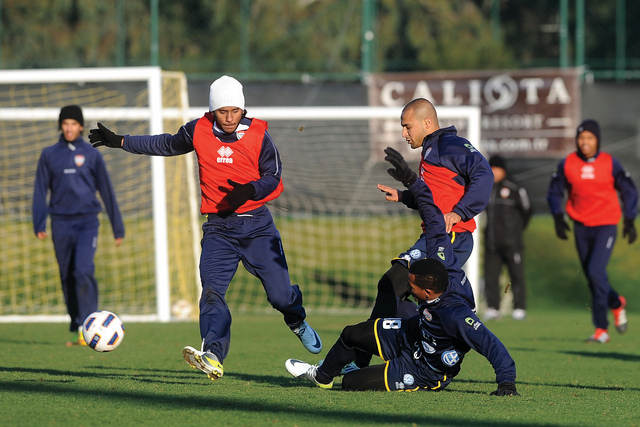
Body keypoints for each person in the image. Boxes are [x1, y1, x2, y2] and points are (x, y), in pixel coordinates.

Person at [88, 75, 322, 380]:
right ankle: (213, 353)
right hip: (219, 231)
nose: (229, 117)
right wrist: (121, 141)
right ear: (212, 110)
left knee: (280, 297)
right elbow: (166, 144)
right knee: (212, 292)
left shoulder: (259, 135)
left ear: (243, 110)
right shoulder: (198, 129)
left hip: (258, 229)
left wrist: (249, 190)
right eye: (223, 111)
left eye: (235, 111)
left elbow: (274, 178)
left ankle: (297, 321)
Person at [285, 147, 518, 395]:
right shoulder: (445, 262)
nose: (409, 287)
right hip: (412, 333)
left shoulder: (457, 315)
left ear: (427, 293)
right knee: (351, 334)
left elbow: (492, 345)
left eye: (412, 286)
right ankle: (321, 376)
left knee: (351, 384)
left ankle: (366, 371)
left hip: (422, 369)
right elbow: (433, 216)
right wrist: (412, 182)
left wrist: (506, 383)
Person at [357, 98, 493, 368]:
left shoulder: (449, 145)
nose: (404, 133)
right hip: (437, 236)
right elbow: (434, 198)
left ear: (427, 122)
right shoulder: (431, 150)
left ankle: (360, 357)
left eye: (407, 126)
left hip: (450, 237)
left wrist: (460, 212)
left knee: (393, 283)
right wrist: (404, 197)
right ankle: (409, 358)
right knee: (411, 298)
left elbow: (484, 174)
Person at [32, 105, 125, 346]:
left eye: (73, 123)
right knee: (67, 276)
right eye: (65, 123)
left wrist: (117, 227)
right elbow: (40, 190)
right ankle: (77, 325)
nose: (69, 128)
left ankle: (88, 325)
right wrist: (39, 222)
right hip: (60, 222)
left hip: (87, 222)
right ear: (60, 126)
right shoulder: (49, 155)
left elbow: (106, 190)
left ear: (81, 126)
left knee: (83, 270)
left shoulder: (92, 154)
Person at [547, 119, 637, 343]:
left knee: (596, 272)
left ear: (597, 140)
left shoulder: (610, 163)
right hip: (580, 225)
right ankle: (616, 302)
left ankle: (601, 329)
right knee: (592, 276)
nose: (584, 142)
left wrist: (629, 218)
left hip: (606, 224)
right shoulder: (568, 163)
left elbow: (628, 190)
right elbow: (555, 191)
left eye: (589, 137)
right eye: (581, 137)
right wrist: (558, 216)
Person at [483, 155, 532, 321]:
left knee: (516, 275)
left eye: (497, 169)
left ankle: (519, 308)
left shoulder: (515, 187)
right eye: (492, 169)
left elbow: (527, 210)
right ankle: (492, 308)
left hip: (512, 242)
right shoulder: (486, 188)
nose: (494, 172)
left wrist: (515, 231)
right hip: (491, 242)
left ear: (503, 170)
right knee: (491, 277)